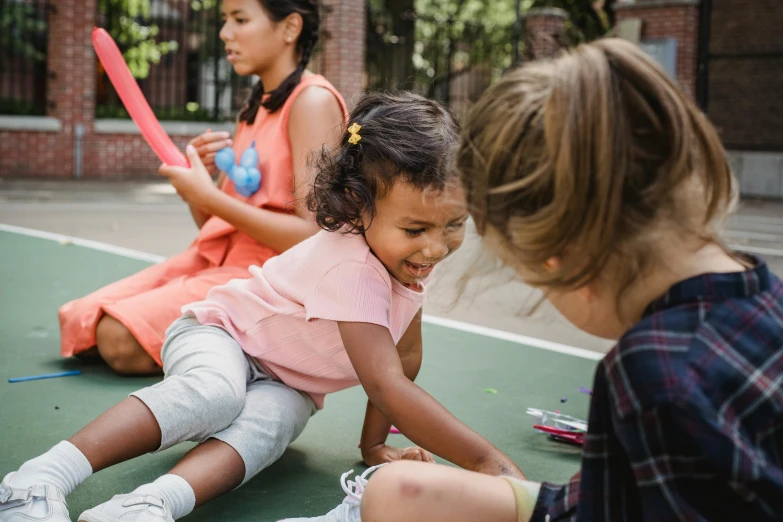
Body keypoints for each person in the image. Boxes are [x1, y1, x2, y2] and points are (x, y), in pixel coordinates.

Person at [284, 38, 783, 522]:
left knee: (395, 497)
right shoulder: (768, 300)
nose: (435, 248)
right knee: (397, 490)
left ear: (562, 258)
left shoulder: (653, 373)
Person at [0, 91, 525, 522]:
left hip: (289, 380)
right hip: (222, 335)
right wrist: (488, 462)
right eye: (416, 229)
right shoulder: (353, 264)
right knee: (215, 393)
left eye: (453, 225)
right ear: (360, 206)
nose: (435, 247)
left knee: (266, 429)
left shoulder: (406, 261)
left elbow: (404, 358)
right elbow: (386, 382)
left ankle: (149, 506)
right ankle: (41, 477)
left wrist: (372, 446)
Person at [58, 0, 346, 375]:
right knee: (80, 318)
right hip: (218, 264)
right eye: (225, 20)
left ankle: (252, 360)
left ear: (290, 28)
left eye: (240, 20)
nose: (225, 33)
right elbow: (215, 227)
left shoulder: (313, 101)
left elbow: (314, 238)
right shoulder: (256, 106)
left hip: (268, 280)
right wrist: (197, 188)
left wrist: (208, 196)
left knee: (118, 339)